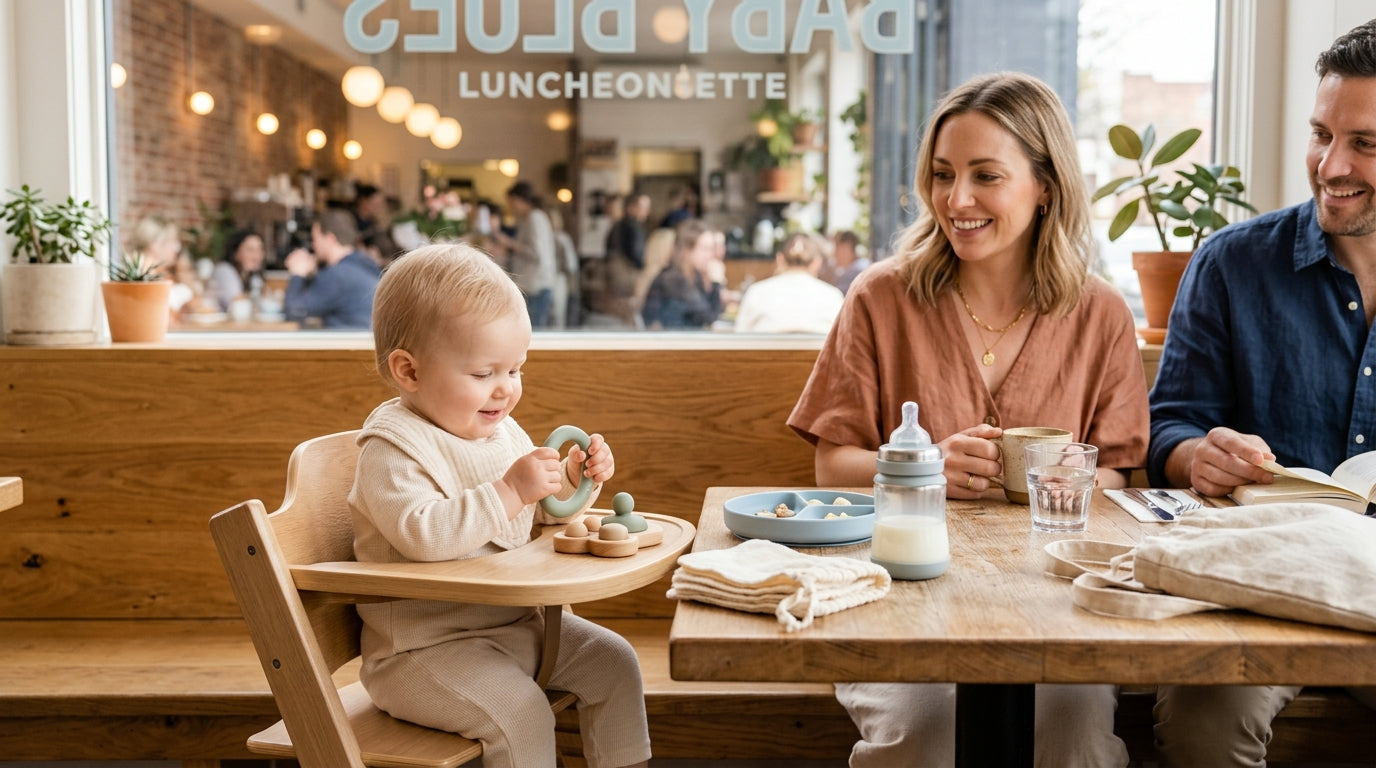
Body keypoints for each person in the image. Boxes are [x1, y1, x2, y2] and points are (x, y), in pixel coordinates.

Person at [787, 71, 1148, 768]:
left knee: (1072, 741)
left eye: (986, 176)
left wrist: (1066, 476)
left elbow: (1121, 473)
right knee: (923, 737)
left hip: (1053, 601)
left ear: (1045, 185)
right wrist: (924, 468)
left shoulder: (1100, 314)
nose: (958, 201)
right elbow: (832, 466)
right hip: (895, 594)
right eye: (943, 175)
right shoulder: (880, 297)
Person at [1147, 19, 1376, 766]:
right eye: (1320, 133)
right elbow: (1171, 427)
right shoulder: (1232, 264)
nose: (1330, 164)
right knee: (1204, 725)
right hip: (1259, 587)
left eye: (1365, 144)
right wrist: (1196, 458)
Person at [349, 243, 651, 768]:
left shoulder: (499, 430)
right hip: (424, 654)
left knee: (614, 663)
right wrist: (511, 490)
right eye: (484, 373)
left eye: (516, 370)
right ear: (409, 371)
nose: (506, 391)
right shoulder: (392, 449)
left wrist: (571, 486)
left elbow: (531, 520)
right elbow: (424, 534)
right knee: (521, 714)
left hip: (518, 629)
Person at [283, 208, 381, 329]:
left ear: (330, 239)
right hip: (366, 344)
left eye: (315, 239)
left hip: (348, 344)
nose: (313, 245)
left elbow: (295, 311)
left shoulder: (338, 275)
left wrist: (297, 274)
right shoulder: (365, 265)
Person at [734, 232, 844, 334]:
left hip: (768, 355)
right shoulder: (833, 296)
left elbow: (739, 339)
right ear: (817, 263)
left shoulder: (756, 292)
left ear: (780, 259)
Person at [492, 181, 558, 328]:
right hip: (533, 284)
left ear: (517, 199)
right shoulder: (530, 218)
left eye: (511, 202)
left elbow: (536, 253)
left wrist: (509, 243)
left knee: (534, 333)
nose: (511, 207)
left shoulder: (535, 218)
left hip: (537, 285)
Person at [639, 219, 725, 330]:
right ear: (687, 250)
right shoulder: (672, 280)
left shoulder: (695, 276)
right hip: (669, 343)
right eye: (705, 249)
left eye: (711, 249)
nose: (710, 255)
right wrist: (716, 282)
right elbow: (709, 317)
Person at [128, 216, 204, 320]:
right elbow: (159, 319)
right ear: (155, 245)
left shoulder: (166, 272)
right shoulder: (141, 275)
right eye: (172, 241)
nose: (177, 247)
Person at [601, 193, 651, 323]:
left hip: (615, 277)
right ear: (631, 207)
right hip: (628, 276)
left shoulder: (618, 225)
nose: (646, 212)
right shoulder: (633, 226)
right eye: (643, 207)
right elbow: (637, 254)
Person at [208, 229, 266, 311]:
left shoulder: (253, 277)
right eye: (250, 250)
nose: (257, 256)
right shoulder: (224, 270)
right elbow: (237, 302)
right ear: (235, 253)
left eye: (260, 249)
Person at [831, 229, 871, 295]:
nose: (834, 254)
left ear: (846, 247)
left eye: (837, 248)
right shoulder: (861, 265)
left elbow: (836, 296)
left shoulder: (856, 271)